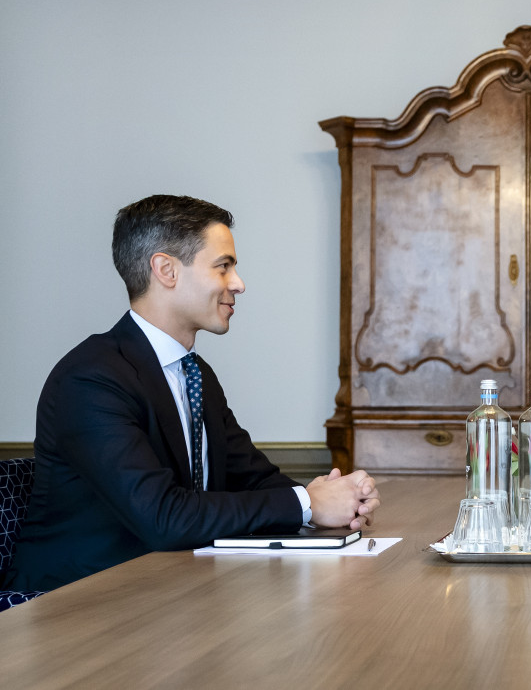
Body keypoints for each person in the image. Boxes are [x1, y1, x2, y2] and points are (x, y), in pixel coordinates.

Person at [3, 195, 381, 592]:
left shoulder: (196, 374)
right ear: (166, 270)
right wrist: (307, 503)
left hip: (168, 593)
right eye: (223, 266)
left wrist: (333, 499)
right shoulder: (89, 380)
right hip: (71, 606)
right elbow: (162, 517)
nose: (238, 283)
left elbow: (252, 479)